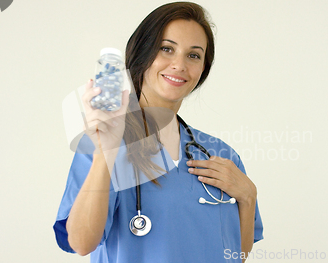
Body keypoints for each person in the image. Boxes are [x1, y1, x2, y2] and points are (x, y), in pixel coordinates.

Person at [54, 2, 263, 262]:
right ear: (142, 53)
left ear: (203, 69)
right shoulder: (103, 141)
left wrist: (248, 196)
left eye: (194, 55)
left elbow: (236, 254)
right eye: (167, 49)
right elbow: (82, 243)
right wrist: (104, 154)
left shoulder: (219, 153)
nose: (179, 64)